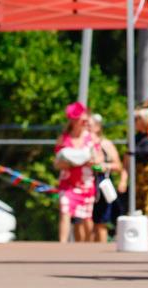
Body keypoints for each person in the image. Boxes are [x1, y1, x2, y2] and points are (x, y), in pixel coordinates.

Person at [55, 101, 101, 243]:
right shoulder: (64, 139)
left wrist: (88, 161)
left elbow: (98, 160)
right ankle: (62, 245)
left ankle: (88, 247)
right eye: (82, 120)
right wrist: (69, 162)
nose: (85, 122)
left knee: (87, 219)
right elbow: (57, 164)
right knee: (65, 211)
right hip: (67, 183)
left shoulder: (91, 138)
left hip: (85, 184)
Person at [89, 112, 123, 242]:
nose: (87, 128)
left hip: (101, 184)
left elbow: (118, 166)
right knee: (86, 220)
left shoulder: (106, 144)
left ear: (98, 127)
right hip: (84, 183)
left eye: (90, 125)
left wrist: (105, 166)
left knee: (101, 222)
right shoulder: (83, 143)